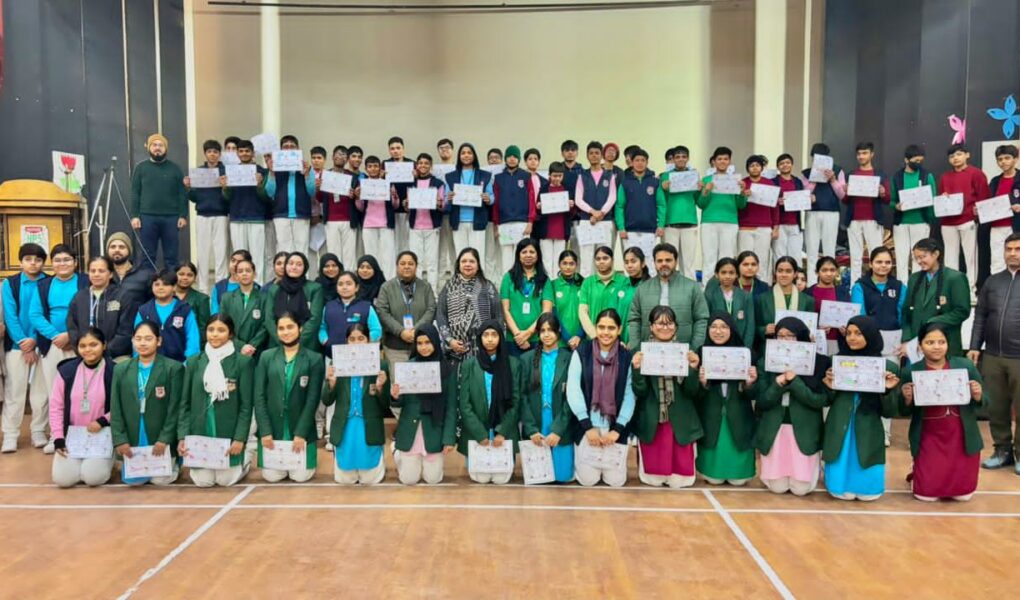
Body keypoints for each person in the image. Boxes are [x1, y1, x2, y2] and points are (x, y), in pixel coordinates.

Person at [900, 322, 985, 501]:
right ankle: (917, 474)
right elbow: (901, 410)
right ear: (920, 345)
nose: (936, 347)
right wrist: (907, 398)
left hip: (960, 434)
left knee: (963, 497)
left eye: (941, 342)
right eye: (930, 342)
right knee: (925, 496)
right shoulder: (911, 371)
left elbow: (986, 401)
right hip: (929, 435)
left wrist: (978, 395)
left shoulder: (965, 366)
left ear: (948, 343)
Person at [822, 316, 901, 501]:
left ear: (871, 335)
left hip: (868, 423)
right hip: (841, 422)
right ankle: (838, 483)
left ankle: (867, 486)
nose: (852, 337)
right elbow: (825, 400)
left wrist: (888, 390)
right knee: (840, 453)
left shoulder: (886, 367)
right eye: (849, 333)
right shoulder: (835, 362)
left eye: (858, 333)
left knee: (866, 456)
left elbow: (890, 411)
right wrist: (829, 386)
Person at [631, 306, 703, 488]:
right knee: (653, 479)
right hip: (653, 417)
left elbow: (691, 392)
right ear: (651, 326)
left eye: (669, 323)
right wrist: (637, 370)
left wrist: (693, 369)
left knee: (680, 480)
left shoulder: (686, 352)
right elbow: (640, 392)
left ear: (676, 327)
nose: (665, 327)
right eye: (660, 323)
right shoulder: (641, 352)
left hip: (681, 417)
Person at [178, 315, 253, 487]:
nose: (215, 334)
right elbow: (185, 403)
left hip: (228, 432)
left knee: (226, 481)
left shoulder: (242, 362)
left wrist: (240, 438)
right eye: (211, 330)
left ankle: (246, 459)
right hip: (200, 429)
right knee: (203, 482)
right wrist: (182, 436)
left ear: (230, 334)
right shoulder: (194, 362)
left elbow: (246, 406)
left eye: (221, 330)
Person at [756, 317, 829, 495]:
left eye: (790, 335)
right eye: (780, 336)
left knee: (801, 489)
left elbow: (820, 401)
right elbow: (762, 401)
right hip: (775, 427)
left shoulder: (820, 363)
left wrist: (795, 382)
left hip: (805, 428)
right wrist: (778, 384)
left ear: (801, 337)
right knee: (777, 487)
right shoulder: (766, 362)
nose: (785, 340)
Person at [968, 233, 1020, 471]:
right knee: (996, 407)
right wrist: (974, 346)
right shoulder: (993, 281)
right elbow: (980, 315)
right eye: (1009, 249)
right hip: (993, 355)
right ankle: (1002, 450)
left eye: (1017, 249)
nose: (1013, 253)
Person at [111, 321, 186, 486]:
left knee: (159, 480)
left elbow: (175, 408)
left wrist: (165, 439)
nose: (142, 343)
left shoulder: (173, 368)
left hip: (160, 435)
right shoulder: (120, 369)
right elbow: (115, 408)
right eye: (138, 339)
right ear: (132, 341)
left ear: (158, 341)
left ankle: (175, 465)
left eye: (148, 339)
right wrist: (120, 440)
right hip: (133, 434)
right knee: (133, 481)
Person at [567, 309, 635, 487]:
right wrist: (587, 427)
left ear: (619, 330)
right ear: (595, 328)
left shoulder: (626, 357)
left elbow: (629, 394)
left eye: (611, 328)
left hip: (614, 428)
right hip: (587, 427)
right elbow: (573, 389)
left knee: (616, 482)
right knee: (587, 481)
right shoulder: (582, 352)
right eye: (601, 327)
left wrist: (617, 429)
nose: (606, 332)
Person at [254, 314, 324, 483]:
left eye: (290, 327)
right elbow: (259, 396)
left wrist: (301, 433)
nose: (286, 332)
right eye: (281, 328)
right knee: (271, 477)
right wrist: (265, 431)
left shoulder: (314, 359)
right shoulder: (266, 357)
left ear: (300, 328)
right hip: (273, 432)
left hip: (300, 431)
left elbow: (312, 400)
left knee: (300, 477)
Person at [31, 244, 87, 453]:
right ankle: (57, 435)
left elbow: (90, 311)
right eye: (57, 260)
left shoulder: (85, 281)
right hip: (53, 344)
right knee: (55, 391)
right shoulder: (44, 285)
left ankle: (80, 433)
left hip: (81, 343)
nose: (62, 263)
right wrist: (56, 336)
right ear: (52, 264)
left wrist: (71, 336)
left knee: (82, 390)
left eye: (66, 259)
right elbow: (35, 314)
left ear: (75, 262)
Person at [693, 313, 758, 485]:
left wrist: (749, 383)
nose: (718, 331)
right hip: (711, 413)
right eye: (713, 327)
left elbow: (754, 394)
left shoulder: (746, 354)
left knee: (739, 481)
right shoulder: (701, 353)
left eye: (724, 327)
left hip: (739, 414)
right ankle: (711, 469)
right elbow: (693, 393)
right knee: (713, 479)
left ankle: (740, 470)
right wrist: (702, 382)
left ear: (732, 329)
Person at [323, 322, 391, 485]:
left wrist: (381, 388)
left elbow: (386, 404)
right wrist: (331, 383)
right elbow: (326, 400)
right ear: (346, 342)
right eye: (352, 339)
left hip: (369, 424)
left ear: (368, 340)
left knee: (370, 480)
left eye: (361, 338)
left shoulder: (380, 365)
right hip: (345, 424)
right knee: (345, 480)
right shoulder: (336, 363)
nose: (356, 343)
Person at [391, 324, 457, 485]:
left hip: (434, 430)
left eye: (428, 342)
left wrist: (448, 439)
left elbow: (451, 407)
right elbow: (400, 403)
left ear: (435, 342)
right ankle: (397, 452)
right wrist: (395, 396)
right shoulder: (408, 367)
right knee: (409, 480)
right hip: (410, 428)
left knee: (433, 479)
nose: (423, 347)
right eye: (419, 343)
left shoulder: (447, 370)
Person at [49, 327, 114, 488]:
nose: (88, 350)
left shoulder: (115, 371)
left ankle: (106, 461)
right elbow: (56, 407)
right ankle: (79, 465)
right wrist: (58, 438)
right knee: (63, 480)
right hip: (73, 437)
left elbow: (122, 405)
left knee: (93, 478)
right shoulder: (66, 371)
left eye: (93, 344)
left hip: (102, 435)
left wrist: (103, 420)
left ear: (104, 345)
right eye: (83, 346)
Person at [458, 320, 521, 484]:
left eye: (494, 335)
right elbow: (464, 404)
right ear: (480, 338)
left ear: (501, 337)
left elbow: (516, 401)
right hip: (477, 433)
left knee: (502, 479)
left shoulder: (512, 364)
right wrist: (480, 434)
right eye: (486, 335)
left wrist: (502, 432)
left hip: (503, 433)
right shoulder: (469, 365)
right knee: (480, 478)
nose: (490, 339)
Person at [2, 243, 49, 452]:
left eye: (38, 260)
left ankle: (38, 430)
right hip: (16, 345)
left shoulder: (49, 282)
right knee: (15, 390)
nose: (33, 263)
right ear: (20, 262)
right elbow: (10, 316)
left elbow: (49, 315)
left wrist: (36, 340)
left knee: (41, 391)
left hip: (43, 343)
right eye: (28, 259)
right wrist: (24, 343)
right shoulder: (10, 284)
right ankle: (10, 434)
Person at [520, 314, 576, 483]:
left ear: (558, 331)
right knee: (539, 479)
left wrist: (558, 430)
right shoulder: (526, 359)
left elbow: (573, 398)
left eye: (550, 330)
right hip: (536, 421)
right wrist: (531, 429)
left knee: (562, 477)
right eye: (542, 330)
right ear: (538, 333)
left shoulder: (570, 358)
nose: (546, 334)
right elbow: (521, 397)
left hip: (561, 421)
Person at [627, 243, 710, 351]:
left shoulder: (692, 287)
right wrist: (636, 348)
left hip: (683, 351)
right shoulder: (642, 289)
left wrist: (694, 348)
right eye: (659, 261)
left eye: (668, 260)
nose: (664, 264)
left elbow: (701, 319)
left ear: (676, 261)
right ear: (654, 263)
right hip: (648, 351)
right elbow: (634, 320)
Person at [375, 251, 437, 390]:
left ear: (416, 266)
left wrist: (417, 330)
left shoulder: (425, 286)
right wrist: (401, 331)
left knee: (421, 385)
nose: (407, 266)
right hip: (395, 347)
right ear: (397, 266)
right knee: (400, 387)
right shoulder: (387, 287)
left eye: (410, 263)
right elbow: (382, 311)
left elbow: (431, 308)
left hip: (421, 346)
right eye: (403, 263)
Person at [902, 238, 970, 358]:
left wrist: (932, 322)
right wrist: (906, 339)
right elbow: (906, 313)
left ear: (936, 254)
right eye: (916, 258)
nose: (919, 261)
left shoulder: (955, 278)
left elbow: (962, 311)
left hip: (945, 344)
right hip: (917, 345)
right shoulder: (914, 278)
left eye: (923, 257)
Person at [938, 144, 991, 297]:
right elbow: (940, 198)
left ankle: (970, 290)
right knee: (950, 257)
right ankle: (951, 290)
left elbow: (984, 197)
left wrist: (978, 211)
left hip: (968, 220)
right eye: (952, 156)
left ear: (967, 155)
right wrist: (943, 199)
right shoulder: (945, 177)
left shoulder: (976, 174)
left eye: (959, 154)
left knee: (970, 256)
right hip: (947, 222)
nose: (955, 158)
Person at [130, 133, 187, 269]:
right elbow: (135, 193)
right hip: (147, 217)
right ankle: (147, 281)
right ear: (149, 148)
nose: (157, 148)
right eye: (154, 145)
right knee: (147, 256)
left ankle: (171, 281)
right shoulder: (140, 168)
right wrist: (135, 216)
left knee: (172, 257)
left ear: (166, 148)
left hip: (171, 218)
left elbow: (182, 194)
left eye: (161, 145)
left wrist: (183, 216)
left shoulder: (175, 169)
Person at [436, 248, 502, 363]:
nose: (467, 264)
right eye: (464, 261)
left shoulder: (488, 287)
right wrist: (450, 340)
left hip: (484, 348)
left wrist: (494, 340)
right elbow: (441, 315)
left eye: (472, 261)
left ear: (478, 265)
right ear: (459, 264)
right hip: (456, 351)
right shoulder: (448, 287)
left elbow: (498, 315)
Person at [67, 256, 133, 360]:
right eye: (92, 271)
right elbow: (72, 328)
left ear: (110, 274)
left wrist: (104, 351)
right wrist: (83, 349)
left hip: (116, 357)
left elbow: (126, 330)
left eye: (101, 271)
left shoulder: (122, 296)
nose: (96, 274)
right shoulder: (79, 297)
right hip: (86, 357)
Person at [843, 142, 890, 284]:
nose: (861, 156)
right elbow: (845, 201)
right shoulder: (851, 174)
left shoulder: (880, 175)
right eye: (859, 154)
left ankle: (877, 285)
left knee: (876, 255)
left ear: (872, 154)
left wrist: (883, 192)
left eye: (864, 153)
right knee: (855, 257)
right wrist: (846, 191)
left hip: (873, 219)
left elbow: (887, 199)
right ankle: (854, 287)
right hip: (854, 219)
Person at [185, 139, 229, 291]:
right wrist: (188, 188)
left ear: (219, 154)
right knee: (203, 253)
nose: (212, 154)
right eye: (209, 151)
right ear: (205, 153)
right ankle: (203, 288)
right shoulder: (199, 172)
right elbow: (194, 198)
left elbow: (229, 197)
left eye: (215, 152)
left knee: (221, 253)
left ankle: (221, 289)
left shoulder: (225, 172)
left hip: (221, 215)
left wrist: (225, 187)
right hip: (202, 215)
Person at [225, 139, 271, 284]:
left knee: (257, 257)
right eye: (241, 151)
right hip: (236, 218)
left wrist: (260, 185)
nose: (244, 153)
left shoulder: (262, 172)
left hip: (256, 218)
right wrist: (225, 187)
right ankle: (239, 287)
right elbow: (227, 197)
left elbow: (267, 197)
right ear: (237, 153)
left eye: (247, 151)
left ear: (252, 153)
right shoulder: (231, 172)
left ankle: (258, 287)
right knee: (239, 257)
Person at [444, 143, 495, 272]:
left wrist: (488, 198)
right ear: (459, 156)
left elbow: (491, 196)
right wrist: (448, 197)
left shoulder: (485, 175)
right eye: (463, 153)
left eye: (469, 153)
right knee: (461, 255)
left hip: (478, 220)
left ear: (474, 156)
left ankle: (479, 282)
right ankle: (462, 281)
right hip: (458, 221)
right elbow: (445, 198)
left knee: (477, 255)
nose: (466, 155)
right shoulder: (450, 176)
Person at [890, 145, 937, 282]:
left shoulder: (927, 176)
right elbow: (891, 200)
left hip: (921, 221)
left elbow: (933, 198)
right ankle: (903, 287)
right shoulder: (897, 177)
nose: (918, 163)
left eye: (921, 161)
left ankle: (918, 286)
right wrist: (896, 206)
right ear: (906, 160)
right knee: (901, 257)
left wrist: (930, 219)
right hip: (901, 223)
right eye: (915, 161)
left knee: (920, 258)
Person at [698, 147, 747, 277]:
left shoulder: (735, 181)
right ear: (714, 161)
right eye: (719, 159)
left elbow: (741, 205)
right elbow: (701, 204)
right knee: (709, 257)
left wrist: (742, 192)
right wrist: (706, 191)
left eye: (725, 159)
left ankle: (726, 284)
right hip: (709, 221)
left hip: (730, 221)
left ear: (729, 161)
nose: (722, 161)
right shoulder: (706, 180)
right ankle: (707, 286)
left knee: (727, 257)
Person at [803, 142, 847, 286]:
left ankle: (829, 283)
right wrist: (814, 180)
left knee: (829, 249)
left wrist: (833, 180)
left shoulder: (838, 170)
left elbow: (842, 195)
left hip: (831, 212)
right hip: (812, 213)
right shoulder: (806, 173)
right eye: (815, 158)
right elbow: (803, 195)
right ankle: (811, 284)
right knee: (811, 249)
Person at [134, 270, 201, 363]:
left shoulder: (184, 310)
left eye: (165, 284)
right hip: (151, 364)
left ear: (174, 287)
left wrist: (188, 363)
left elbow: (192, 339)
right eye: (157, 284)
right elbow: (137, 339)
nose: (160, 288)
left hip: (179, 363)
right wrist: (140, 362)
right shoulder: (144, 311)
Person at [265, 135, 316, 254]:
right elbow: (270, 192)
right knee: (283, 250)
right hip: (281, 214)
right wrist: (271, 172)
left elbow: (312, 191)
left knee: (301, 249)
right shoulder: (275, 169)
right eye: (285, 147)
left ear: (298, 149)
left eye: (292, 146)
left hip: (301, 214)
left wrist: (307, 175)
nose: (288, 149)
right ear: (281, 150)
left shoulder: (307, 168)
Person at [263, 252, 324, 351]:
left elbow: (315, 319)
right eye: (290, 263)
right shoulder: (274, 289)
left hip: (306, 345)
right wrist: (282, 340)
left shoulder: (314, 288)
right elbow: (269, 319)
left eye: (299, 264)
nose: (294, 267)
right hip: (278, 344)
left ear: (305, 268)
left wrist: (296, 342)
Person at [575, 142, 619, 276]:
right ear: (587, 156)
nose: (594, 156)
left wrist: (601, 213)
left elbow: (612, 197)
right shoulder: (582, 176)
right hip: (586, 221)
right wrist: (592, 212)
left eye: (597, 153)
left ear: (602, 155)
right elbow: (578, 199)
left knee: (604, 257)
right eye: (591, 153)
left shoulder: (610, 176)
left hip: (605, 221)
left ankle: (605, 284)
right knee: (586, 257)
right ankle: (586, 287)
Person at [500, 238, 549, 357]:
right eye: (524, 252)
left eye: (532, 252)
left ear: (538, 255)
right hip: (513, 339)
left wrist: (528, 333)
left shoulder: (544, 279)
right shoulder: (508, 277)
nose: (528, 255)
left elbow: (546, 311)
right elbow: (505, 310)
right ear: (518, 255)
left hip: (537, 338)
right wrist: (518, 335)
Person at [405, 153, 446, 290]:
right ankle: (415, 289)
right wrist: (406, 204)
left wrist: (439, 203)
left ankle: (432, 290)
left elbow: (442, 206)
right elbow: (408, 207)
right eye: (420, 163)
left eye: (426, 163)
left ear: (431, 166)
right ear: (417, 165)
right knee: (416, 260)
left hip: (432, 227)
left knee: (432, 261)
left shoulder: (438, 183)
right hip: (415, 227)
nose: (423, 165)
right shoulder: (411, 184)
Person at [755, 256, 816, 348]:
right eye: (780, 271)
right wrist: (764, 330)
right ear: (775, 273)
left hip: (798, 350)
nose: (784, 274)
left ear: (795, 274)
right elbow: (754, 327)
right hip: (769, 348)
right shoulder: (762, 299)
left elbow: (809, 328)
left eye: (788, 271)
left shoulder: (808, 300)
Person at [660, 145, 702, 280]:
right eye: (677, 157)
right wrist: (663, 189)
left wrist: (701, 189)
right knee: (669, 260)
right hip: (670, 223)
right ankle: (669, 288)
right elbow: (660, 201)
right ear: (673, 159)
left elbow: (699, 200)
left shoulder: (693, 175)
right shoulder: (665, 176)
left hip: (689, 222)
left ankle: (689, 290)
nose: (680, 159)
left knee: (689, 263)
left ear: (688, 159)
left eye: (684, 157)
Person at [492, 145, 536, 272]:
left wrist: (530, 222)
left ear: (519, 159)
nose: (512, 159)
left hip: (522, 223)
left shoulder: (526, 176)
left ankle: (521, 282)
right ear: (505, 158)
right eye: (509, 156)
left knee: (522, 256)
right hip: (504, 224)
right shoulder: (498, 178)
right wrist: (496, 224)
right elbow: (495, 203)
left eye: (515, 157)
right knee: (506, 257)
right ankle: (507, 282)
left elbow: (531, 199)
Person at [616, 148, 666, 258]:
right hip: (629, 231)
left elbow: (661, 205)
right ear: (632, 163)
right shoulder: (625, 183)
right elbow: (619, 206)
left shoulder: (655, 182)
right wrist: (621, 228)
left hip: (650, 230)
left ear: (647, 162)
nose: (640, 163)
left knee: (650, 262)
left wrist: (661, 225)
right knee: (632, 261)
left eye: (643, 160)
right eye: (637, 160)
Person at [737, 155, 779, 281]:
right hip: (745, 227)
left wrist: (775, 227)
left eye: (757, 165)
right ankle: (743, 286)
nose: (755, 168)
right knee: (744, 259)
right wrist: (743, 195)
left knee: (762, 260)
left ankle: (762, 286)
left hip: (764, 227)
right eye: (751, 166)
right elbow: (737, 205)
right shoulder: (743, 183)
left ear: (761, 168)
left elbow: (775, 207)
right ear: (747, 168)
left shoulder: (769, 183)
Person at [320, 145, 361, 272]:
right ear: (332, 157)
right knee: (333, 254)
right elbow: (319, 198)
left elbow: (358, 197)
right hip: (331, 219)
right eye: (338, 154)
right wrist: (317, 188)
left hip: (349, 219)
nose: (340, 157)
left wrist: (355, 195)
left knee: (349, 255)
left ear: (347, 159)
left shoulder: (353, 176)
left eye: (344, 155)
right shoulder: (325, 175)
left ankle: (349, 278)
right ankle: (334, 278)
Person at [217, 259, 267, 357]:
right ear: (236, 276)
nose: (244, 274)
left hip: (257, 351)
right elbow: (223, 324)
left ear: (254, 274)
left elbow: (265, 325)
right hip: (232, 349)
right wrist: (240, 346)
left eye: (248, 271)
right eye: (240, 271)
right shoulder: (227, 298)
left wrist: (252, 346)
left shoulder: (264, 298)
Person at [703, 258, 755, 351]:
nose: (727, 276)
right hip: (716, 344)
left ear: (737, 275)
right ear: (716, 274)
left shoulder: (746, 296)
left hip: (740, 344)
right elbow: (706, 322)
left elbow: (750, 326)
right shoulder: (709, 295)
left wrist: (746, 349)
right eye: (723, 272)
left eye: (731, 273)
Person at [578, 246, 629, 341]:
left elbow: (626, 312)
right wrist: (594, 335)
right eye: (598, 259)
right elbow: (582, 312)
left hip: (617, 338)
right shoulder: (588, 282)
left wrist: (616, 335)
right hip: (593, 339)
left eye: (605, 258)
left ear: (612, 260)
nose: (601, 261)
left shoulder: (624, 282)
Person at [540, 250, 585, 350]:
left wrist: (579, 335)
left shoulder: (584, 284)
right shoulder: (552, 285)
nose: (568, 267)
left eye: (571, 264)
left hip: (581, 341)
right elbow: (554, 314)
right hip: (560, 342)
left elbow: (587, 313)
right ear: (559, 264)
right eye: (564, 263)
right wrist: (567, 338)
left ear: (576, 265)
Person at [533, 161, 573, 277]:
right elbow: (537, 209)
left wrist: (571, 205)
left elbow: (571, 213)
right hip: (546, 230)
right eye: (554, 176)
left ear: (563, 176)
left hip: (561, 229)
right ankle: (547, 283)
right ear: (549, 175)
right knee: (546, 259)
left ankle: (557, 281)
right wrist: (538, 206)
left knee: (559, 259)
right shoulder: (544, 189)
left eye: (560, 176)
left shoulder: (567, 189)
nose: (557, 178)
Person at [986, 144, 1020, 275]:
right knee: (997, 261)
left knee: (1017, 259)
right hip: (997, 226)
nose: (1003, 162)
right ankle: (997, 286)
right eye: (1000, 159)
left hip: (1016, 226)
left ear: (1015, 159)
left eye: (1007, 158)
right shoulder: (995, 181)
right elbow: (988, 202)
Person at [807, 256, 850, 356]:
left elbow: (849, 316)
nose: (829, 274)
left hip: (838, 341)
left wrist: (847, 329)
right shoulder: (808, 293)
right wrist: (816, 327)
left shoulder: (843, 293)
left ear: (837, 272)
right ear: (817, 272)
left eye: (832, 270)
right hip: (814, 340)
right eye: (824, 270)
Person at [105, 232, 153, 313]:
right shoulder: (102, 275)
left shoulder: (144, 275)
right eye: (113, 247)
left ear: (129, 250)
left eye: (121, 247)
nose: (117, 250)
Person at [772, 153, 807, 264]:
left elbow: (802, 200)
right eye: (781, 163)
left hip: (795, 223)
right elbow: (769, 201)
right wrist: (777, 201)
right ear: (778, 167)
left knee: (796, 256)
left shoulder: (798, 182)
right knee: (779, 256)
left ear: (792, 165)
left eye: (787, 162)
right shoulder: (773, 182)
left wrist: (807, 199)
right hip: (779, 224)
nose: (785, 165)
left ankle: (796, 275)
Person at [174, 262, 210, 347]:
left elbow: (203, 328)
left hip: (193, 346)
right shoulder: (166, 296)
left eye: (189, 275)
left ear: (195, 278)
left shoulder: (202, 299)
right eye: (181, 274)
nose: (185, 278)